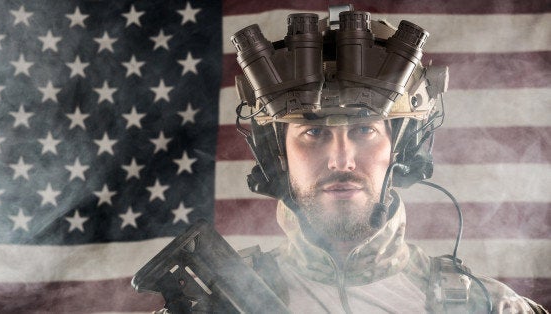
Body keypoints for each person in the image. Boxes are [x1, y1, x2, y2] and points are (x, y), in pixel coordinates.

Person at [135, 5, 548, 313]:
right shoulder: (210, 304)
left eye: (364, 130)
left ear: (399, 149)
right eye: (313, 133)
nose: (341, 159)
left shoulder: (488, 307)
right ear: (277, 154)